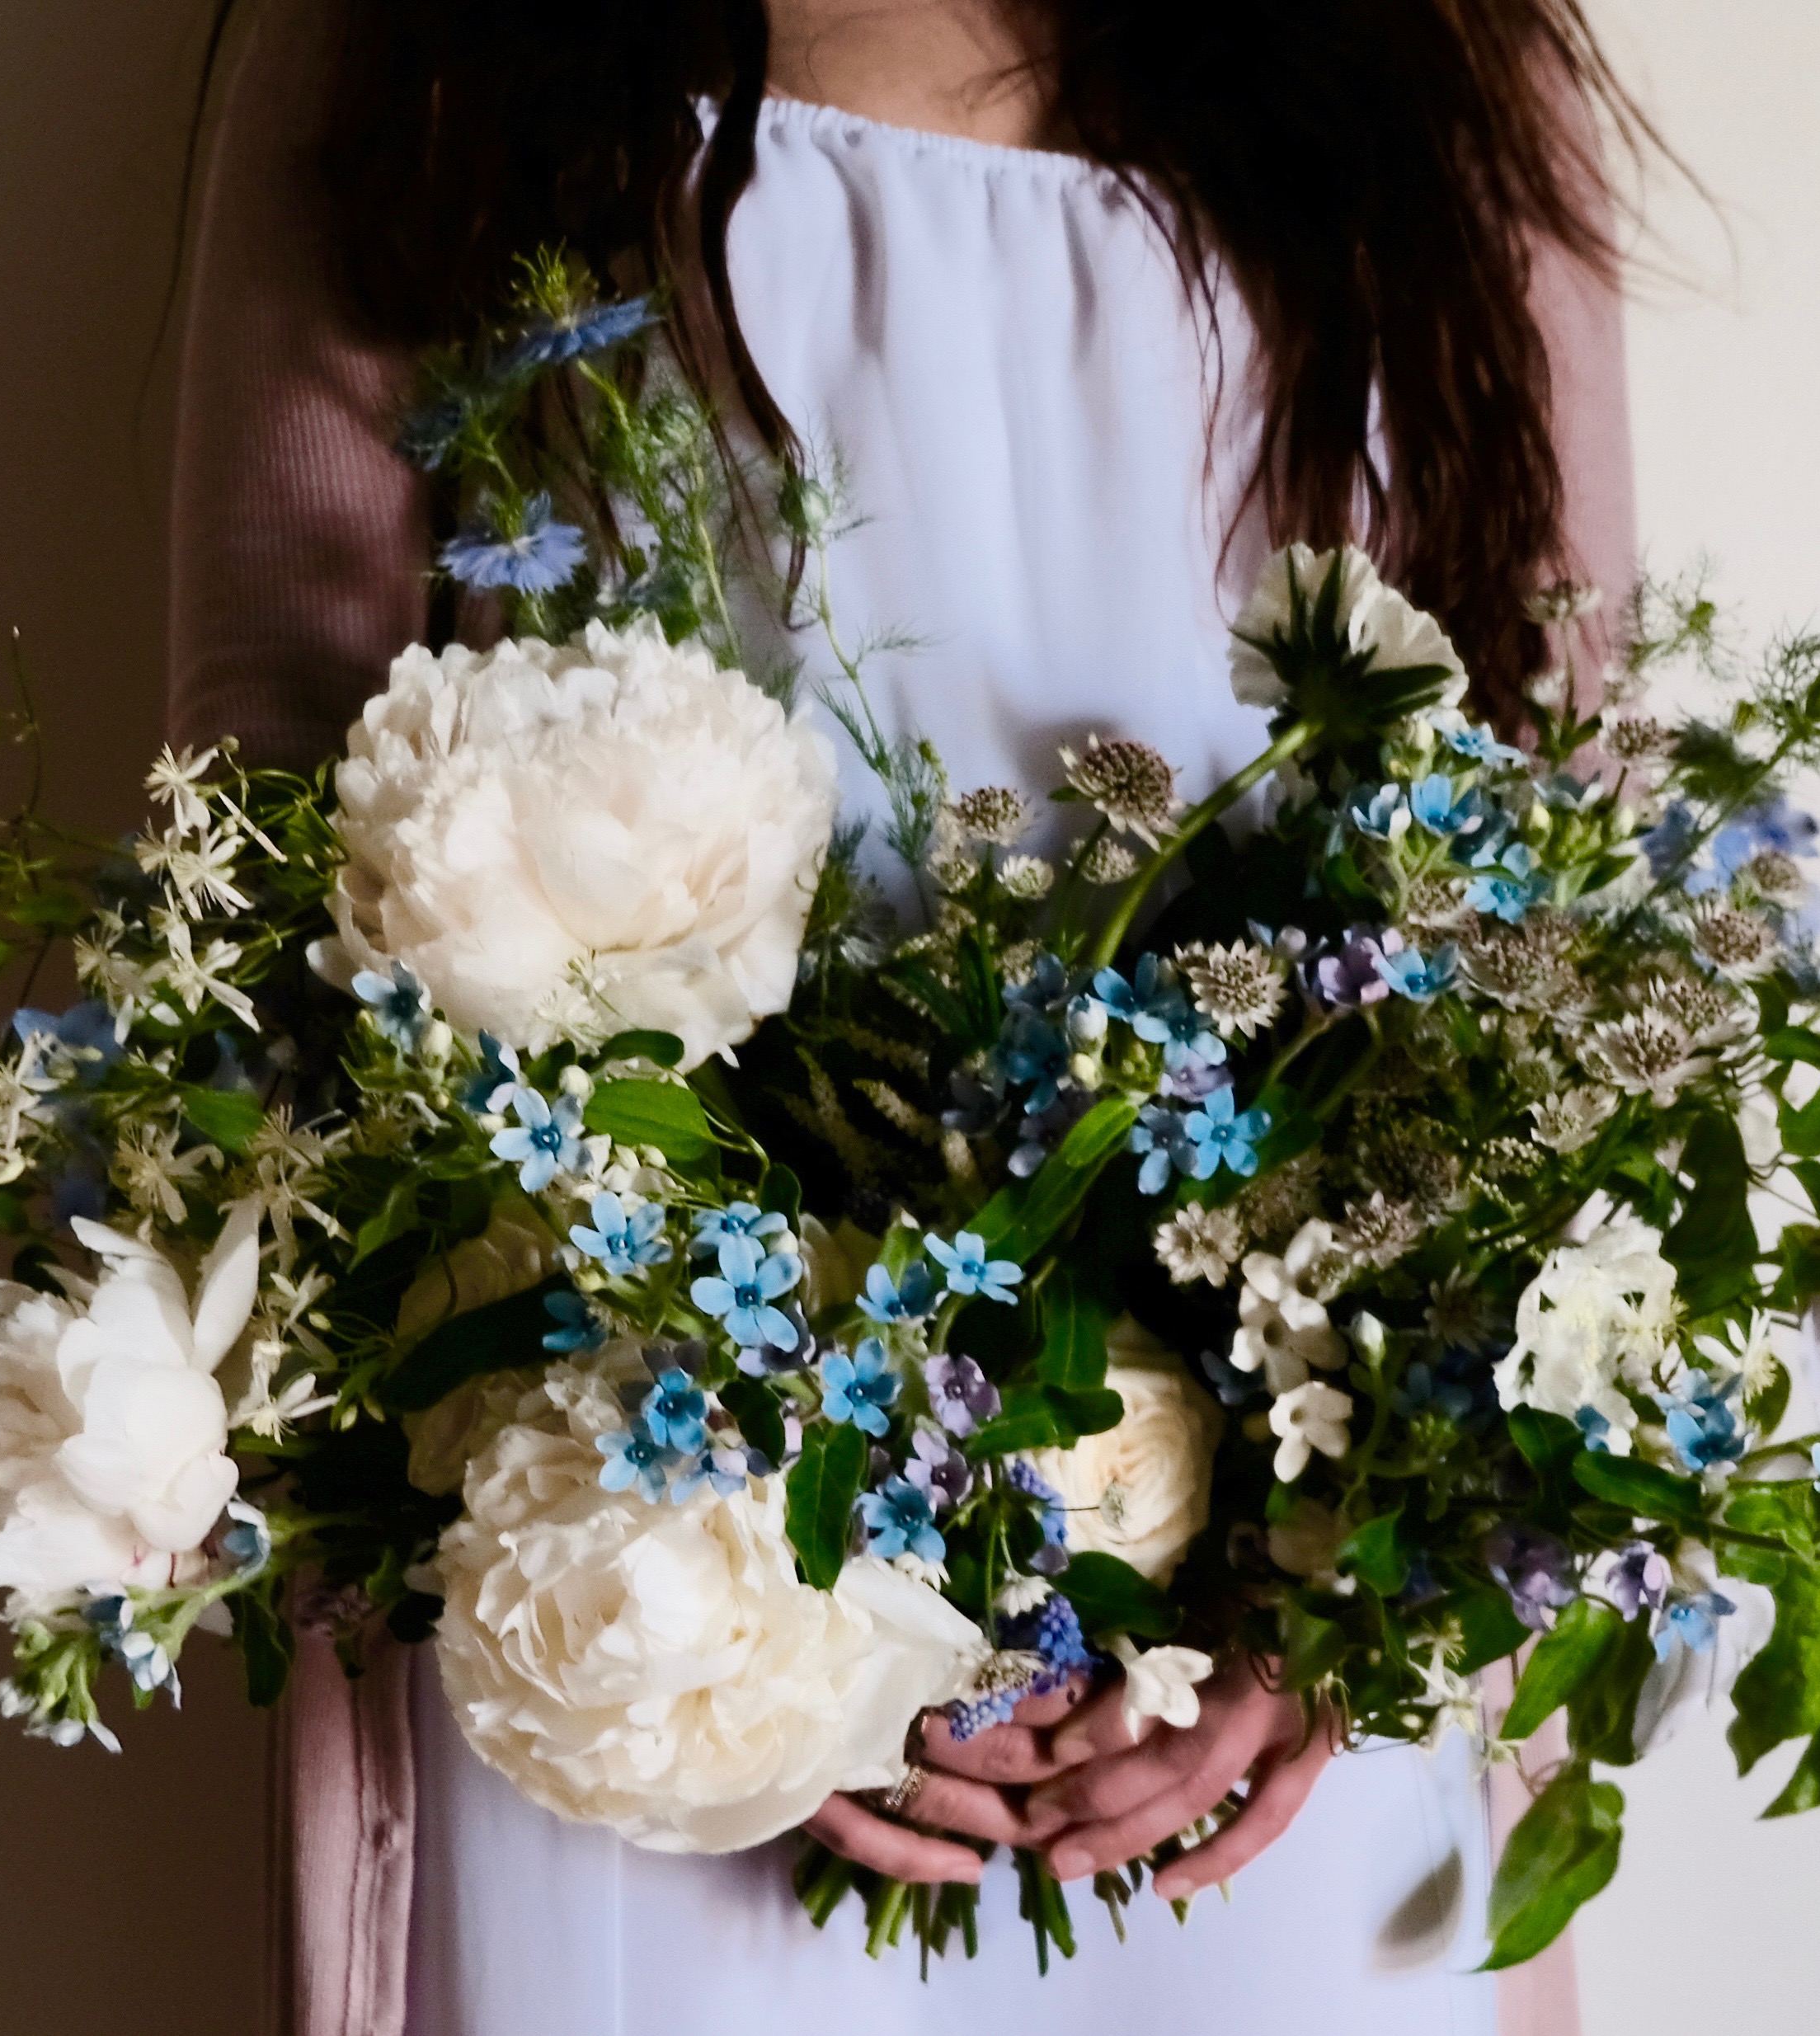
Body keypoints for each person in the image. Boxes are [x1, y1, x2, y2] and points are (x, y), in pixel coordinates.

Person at [163, 5, 1653, 2031]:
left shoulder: (1438, 66)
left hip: (1261, 1694)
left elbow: (1568, 876)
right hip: (664, 1632)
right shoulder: (431, 48)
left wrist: (1366, 1588)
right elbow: (269, 858)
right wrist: (753, 1600)